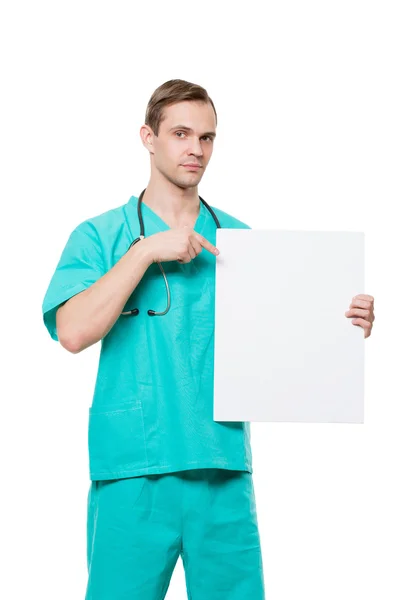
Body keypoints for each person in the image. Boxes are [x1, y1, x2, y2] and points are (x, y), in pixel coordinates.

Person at [42, 79, 375, 600]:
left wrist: (343, 322)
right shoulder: (101, 236)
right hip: (134, 471)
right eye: (180, 133)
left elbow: (289, 343)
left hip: (222, 468)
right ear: (148, 138)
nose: (196, 149)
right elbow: (72, 331)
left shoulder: (242, 243)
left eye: (207, 137)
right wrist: (145, 253)